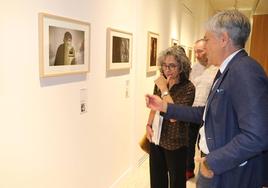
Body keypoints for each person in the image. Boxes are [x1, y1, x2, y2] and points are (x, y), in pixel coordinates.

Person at [145, 10, 268, 188]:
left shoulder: (244, 70)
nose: (204, 46)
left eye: (207, 39)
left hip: (228, 173)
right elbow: (207, 113)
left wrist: (212, 162)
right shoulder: (227, 70)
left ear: (224, 39)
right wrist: (166, 107)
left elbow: (258, 135)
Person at [146, 46, 195, 188]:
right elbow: (154, 108)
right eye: (165, 65)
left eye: (172, 66)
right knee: (157, 180)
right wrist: (148, 125)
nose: (167, 69)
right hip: (156, 138)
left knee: (176, 182)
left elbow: (174, 117)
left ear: (181, 67)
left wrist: (164, 90)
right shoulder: (161, 82)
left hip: (176, 142)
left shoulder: (188, 88)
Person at [186, 39, 218, 180]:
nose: (197, 55)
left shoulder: (217, 68)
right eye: (196, 51)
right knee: (189, 142)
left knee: (204, 144)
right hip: (192, 112)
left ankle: (205, 173)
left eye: (200, 51)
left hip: (208, 114)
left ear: (208, 49)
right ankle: (188, 169)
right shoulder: (194, 68)